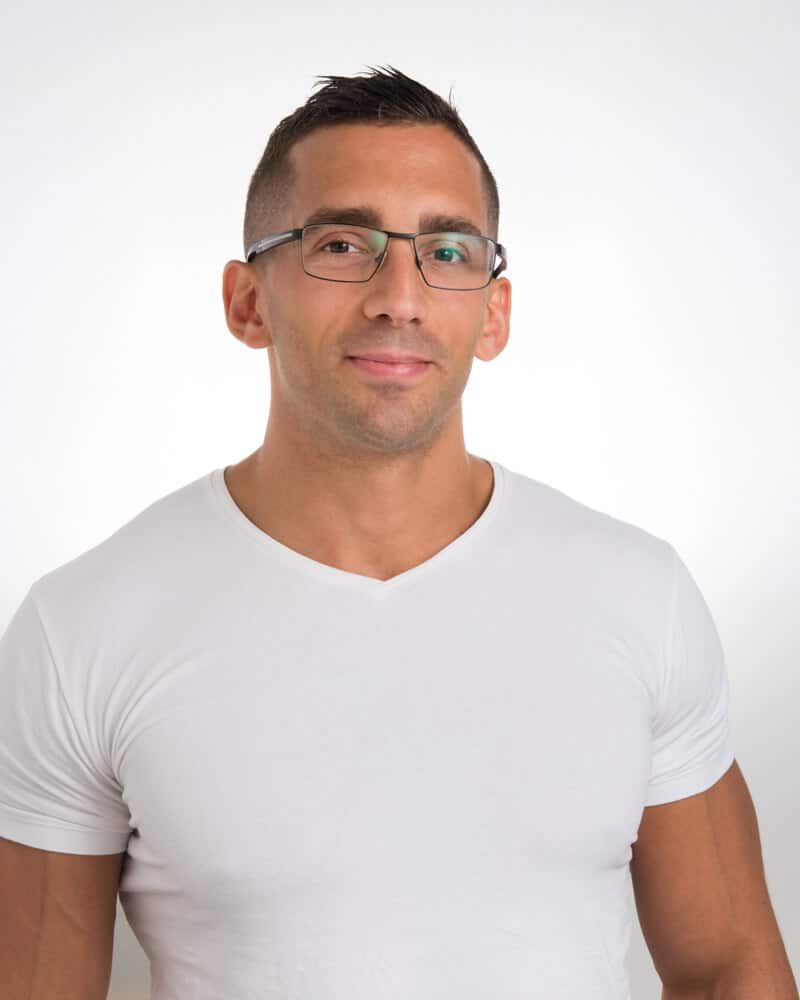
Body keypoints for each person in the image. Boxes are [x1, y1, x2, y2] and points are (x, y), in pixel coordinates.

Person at [1, 65, 795, 1000]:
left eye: (448, 251)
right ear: (247, 303)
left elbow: (727, 966)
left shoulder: (637, 595)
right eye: (342, 244)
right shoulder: (87, 627)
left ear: (493, 313)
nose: (400, 297)